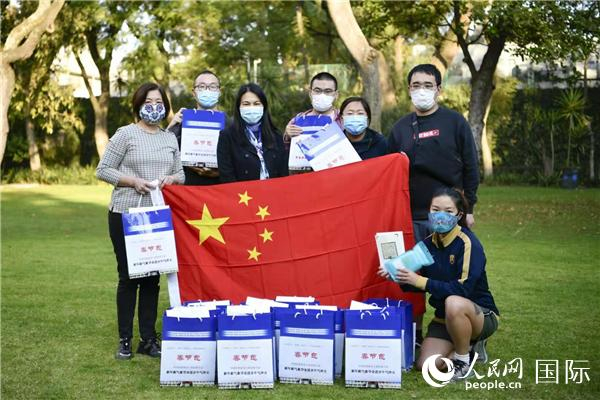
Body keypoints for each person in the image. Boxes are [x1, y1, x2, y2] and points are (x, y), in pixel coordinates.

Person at [388, 64, 480, 345]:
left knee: (457, 274)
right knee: (412, 276)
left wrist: (469, 209)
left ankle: (470, 330)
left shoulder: (455, 122)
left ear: (439, 89)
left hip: (450, 216)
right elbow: (385, 170)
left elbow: (471, 166)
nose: (422, 90)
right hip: (412, 216)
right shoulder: (400, 129)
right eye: (416, 85)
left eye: (428, 85)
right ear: (408, 90)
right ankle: (416, 333)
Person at [96, 82, 185, 360]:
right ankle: (125, 339)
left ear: (165, 107)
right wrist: (132, 181)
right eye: (148, 102)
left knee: (151, 279)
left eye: (159, 103)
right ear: (138, 105)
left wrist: (172, 179)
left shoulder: (169, 138)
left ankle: (148, 339)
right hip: (126, 214)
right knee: (128, 278)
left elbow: (181, 174)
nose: (154, 107)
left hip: (157, 217)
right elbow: (103, 170)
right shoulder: (125, 134)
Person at [379, 188, 499, 381]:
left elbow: (463, 289)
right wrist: (398, 276)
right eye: (435, 210)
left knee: (454, 301)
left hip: (480, 314)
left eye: (448, 211)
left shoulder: (468, 243)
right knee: (425, 365)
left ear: (459, 215)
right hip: (444, 318)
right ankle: (471, 348)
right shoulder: (427, 244)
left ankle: (462, 361)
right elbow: (419, 284)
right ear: (429, 211)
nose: (440, 216)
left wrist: (419, 280)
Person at [217, 83, 288, 182]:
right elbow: (227, 177)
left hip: (272, 190)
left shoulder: (276, 136)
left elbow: (283, 175)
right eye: (246, 104)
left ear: (264, 106)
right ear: (238, 107)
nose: (251, 108)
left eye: (256, 103)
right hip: (242, 191)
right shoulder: (227, 136)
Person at [167, 70, 224, 185]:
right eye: (201, 87)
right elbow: (164, 156)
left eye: (212, 87)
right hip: (189, 189)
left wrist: (219, 172)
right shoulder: (182, 122)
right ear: (193, 92)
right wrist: (171, 126)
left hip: (220, 189)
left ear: (219, 91)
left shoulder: (231, 125)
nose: (207, 90)